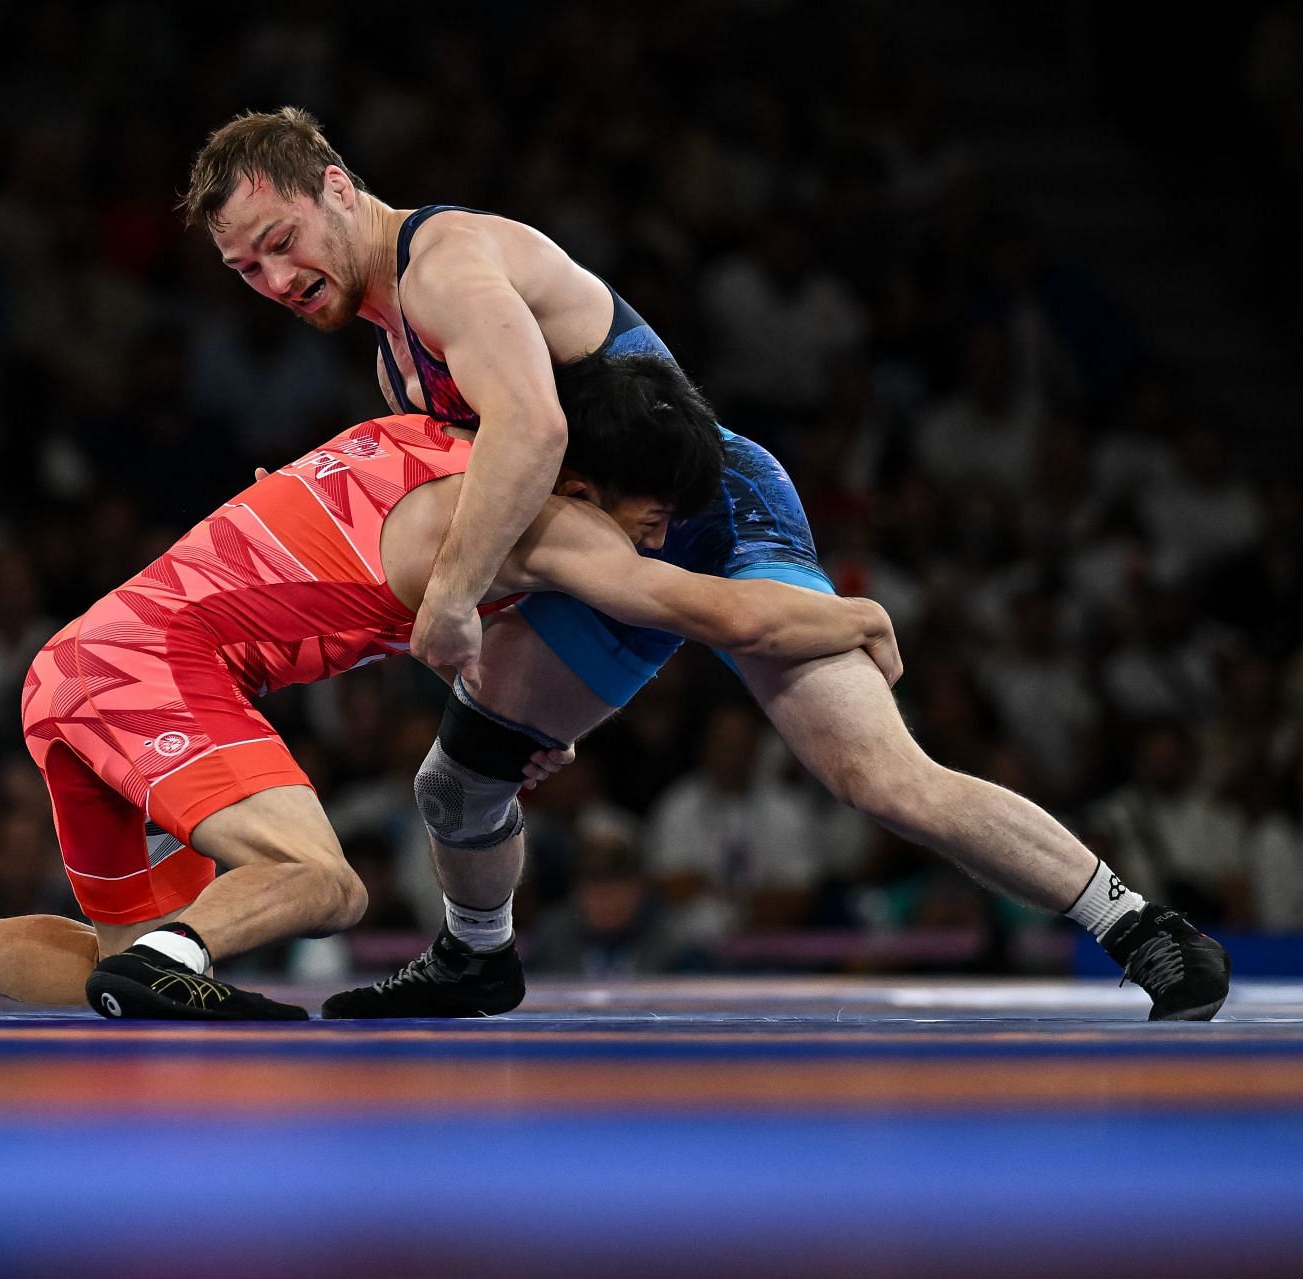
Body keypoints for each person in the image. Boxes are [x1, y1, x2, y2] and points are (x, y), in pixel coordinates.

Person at [183, 107, 1229, 1021]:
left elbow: (536, 434)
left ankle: (1141, 926)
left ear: (335, 185)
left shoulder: (449, 264)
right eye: (246, 270)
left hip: (710, 511)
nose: (275, 281)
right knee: (458, 784)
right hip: (603, 553)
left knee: (877, 776)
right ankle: (476, 953)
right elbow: (512, 512)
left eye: (279, 242)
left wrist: (456, 600)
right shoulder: (390, 357)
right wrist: (511, 659)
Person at [0, 353, 899, 1020]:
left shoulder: (424, 433)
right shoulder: (543, 519)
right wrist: (859, 611)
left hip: (79, 665)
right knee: (325, 883)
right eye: (648, 519)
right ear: (577, 480)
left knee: (114, 951)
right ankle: (170, 960)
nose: (651, 540)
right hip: (153, 668)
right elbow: (718, 611)